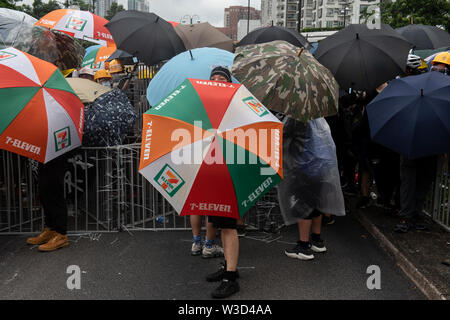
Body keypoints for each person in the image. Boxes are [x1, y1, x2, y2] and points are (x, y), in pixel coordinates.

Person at [277, 115, 346, 261]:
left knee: (303, 204)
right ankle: (317, 240)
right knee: (316, 203)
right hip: (321, 166)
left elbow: (281, 134)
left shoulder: (296, 118)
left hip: (305, 166)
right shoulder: (319, 118)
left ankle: (303, 246)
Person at [394, 52, 447, 233]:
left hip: (423, 146)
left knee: (417, 183)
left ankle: (411, 215)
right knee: (413, 183)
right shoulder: (437, 92)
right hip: (420, 145)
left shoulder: (410, 88)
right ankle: (409, 215)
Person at [203, 66, 240, 299]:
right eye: (214, 78)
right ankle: (228, 266)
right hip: (211, 171)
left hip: (229, 171)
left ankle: (231, 278)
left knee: (228, 226)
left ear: (229, 82)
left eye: (222, 78)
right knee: (217, 222)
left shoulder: (236, 104)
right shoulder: (207, 105)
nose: (217, 80)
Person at [26, 150, 75, 251]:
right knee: (44, 192)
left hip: (57, 154)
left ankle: (61, 235)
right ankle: (51, 229)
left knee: (55, 192)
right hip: (44, 156)